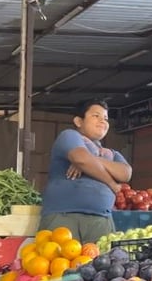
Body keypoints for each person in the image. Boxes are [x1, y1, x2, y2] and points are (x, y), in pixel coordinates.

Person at [39, 99, 132, 243]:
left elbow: (126, 173)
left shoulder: (111, 153)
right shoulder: (70, 136)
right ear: (78, 121)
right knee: (58, 263)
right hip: (64, 216)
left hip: (101, 220)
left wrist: (92, 160)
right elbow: (80, 158)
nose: (103, 121)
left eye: (106, 118)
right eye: (96, 116)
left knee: (104, 264)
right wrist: (111, 182)